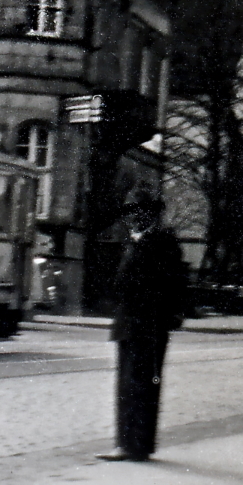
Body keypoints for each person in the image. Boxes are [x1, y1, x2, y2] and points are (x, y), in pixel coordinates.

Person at [98, 188, 188, 462]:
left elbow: (173, 284)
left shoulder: (162, 242)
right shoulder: (135, 242)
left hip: (147, 325)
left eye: (137, 211)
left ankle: (137, 445)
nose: (132, 217)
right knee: (127, 386)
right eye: (129, 212)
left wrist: (166, 314)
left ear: (149, 213)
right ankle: (128, 444)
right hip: (130, 323)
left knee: (141, 385)